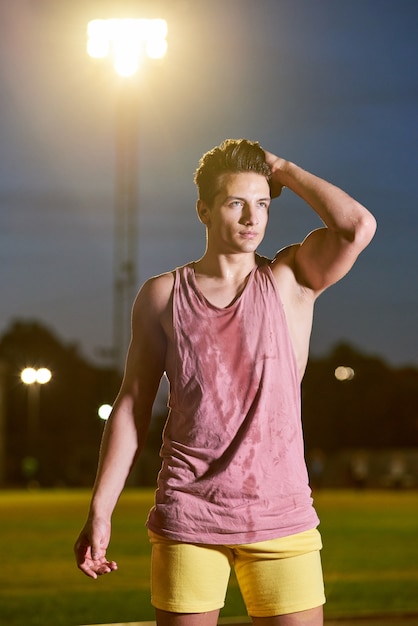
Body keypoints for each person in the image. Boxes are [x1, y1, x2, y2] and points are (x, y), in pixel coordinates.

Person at [74, 139, 376, 626]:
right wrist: (101, 509)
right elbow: (131, 405)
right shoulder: (162, 295)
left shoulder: (290, 278)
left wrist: (281, 168)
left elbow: (357, 227)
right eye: (236, 203)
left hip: (282, 515)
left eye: (261, 204)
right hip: (189, 516)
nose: (251, 218)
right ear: (204, 210)